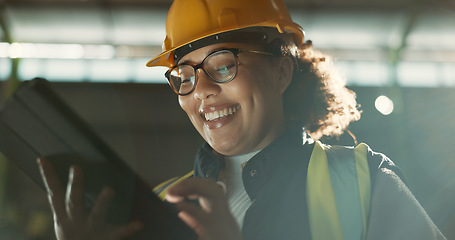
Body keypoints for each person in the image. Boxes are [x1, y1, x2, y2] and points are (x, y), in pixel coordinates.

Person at [38, 0, 447, 239]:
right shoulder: (160, 203)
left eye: (223, 64)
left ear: (281, 72)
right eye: (185, 75)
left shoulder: (363, 181)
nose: (201, 90)